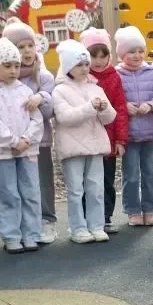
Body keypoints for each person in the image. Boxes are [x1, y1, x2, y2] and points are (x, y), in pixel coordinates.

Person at [0, 38, 44, 254]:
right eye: (8, 66)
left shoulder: (25, 92)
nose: (14, 70)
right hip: (2, 153)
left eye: (16, 66)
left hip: (27, 150)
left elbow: (37, 119)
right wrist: (14, 141)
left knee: (30, 190)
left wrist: (26, 139)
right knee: (7, 193)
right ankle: (12, 235)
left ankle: (31, 233)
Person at [52, 40, 118, 244]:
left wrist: (104, 108)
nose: (84, 69)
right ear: (67, 66)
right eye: (78, 64)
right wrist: (90, 108)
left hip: (95, 146)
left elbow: (110, 118)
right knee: (76, 189)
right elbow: (64, 117)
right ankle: (78, 227)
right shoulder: (60, 90)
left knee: (96, 187)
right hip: (73, 148)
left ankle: (96, 225)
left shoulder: (95, 88)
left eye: (85, 64)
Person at [3, 18, 57, 244]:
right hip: (14, 142)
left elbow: (50, 110)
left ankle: (47, 220)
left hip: (40, 141)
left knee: (42, 181)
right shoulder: (4, 79)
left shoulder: (43, 77)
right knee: (20, 184)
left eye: (30, 45)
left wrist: (41, 98)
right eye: (20, 47)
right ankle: (26, 223)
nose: (26, 51)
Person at [80, 28, 129, 234]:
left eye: (103, 55)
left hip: (108, 141)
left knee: (107, 180)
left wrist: (120, 140)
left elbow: (120, 110)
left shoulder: (114, 77)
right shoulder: (80, 77)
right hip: (86, 140)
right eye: (93, 56)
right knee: (87, 181)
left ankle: (106, 216)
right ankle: (86, 217)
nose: (99, 61)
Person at [115, 26, 153, 227]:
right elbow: (112, 100)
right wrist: (124, 107)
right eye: (131, 51)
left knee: (150, 173)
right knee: (131, 174)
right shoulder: (116, 75)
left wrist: (151, 105)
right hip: (129, 135)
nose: (137, 55)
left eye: (140, 51)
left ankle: (150, 208)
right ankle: (133, 210)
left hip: (150, 133)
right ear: (121, 54)